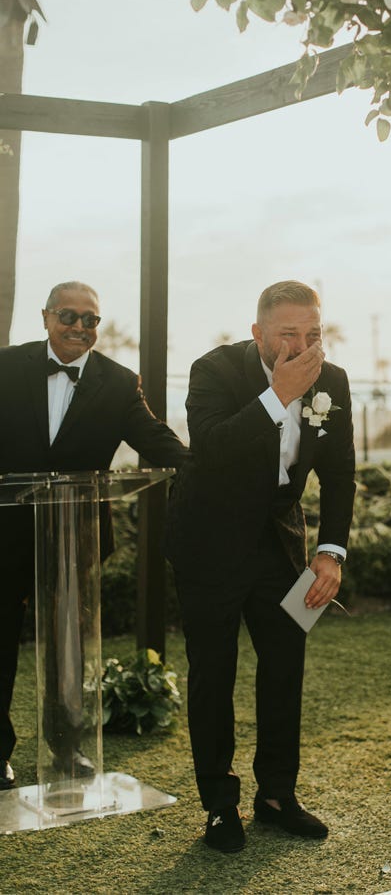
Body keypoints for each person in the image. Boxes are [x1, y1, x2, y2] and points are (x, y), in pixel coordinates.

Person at [166, 280, 355, 853]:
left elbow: (340, 473)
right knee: (213, 673)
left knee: (284, 668)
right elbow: (214, 449)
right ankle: (221, 807)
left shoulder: (335, 381)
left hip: (280, 545)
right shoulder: (213, 371)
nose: (303, 346)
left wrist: (331, 551)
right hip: (209, 542)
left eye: (313, 333)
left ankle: (277, 797)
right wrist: (278, 394)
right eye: (288, 334)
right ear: (258, 334)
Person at [0, 281, 187, 793]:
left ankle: (69, 747)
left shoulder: (120, 382)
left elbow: (154, 439)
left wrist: (206, 468)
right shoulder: (6, 367)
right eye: (69, 316)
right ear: (45, 318)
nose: (80, 328)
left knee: (68, 646)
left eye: (90, 320)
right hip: (4, 534)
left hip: (73, 537)